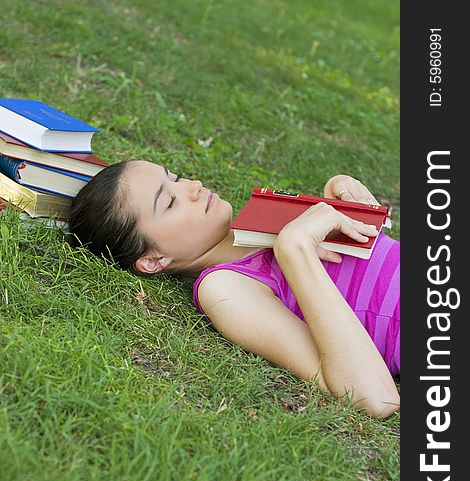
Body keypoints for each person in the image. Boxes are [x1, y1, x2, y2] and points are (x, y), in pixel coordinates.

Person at [69, 160, 400, 419]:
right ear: (154, 260)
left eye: (177, 178)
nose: (194, 187)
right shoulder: (223, 287)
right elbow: (373, 397)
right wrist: (295, 247)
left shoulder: (266, 226)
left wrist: (342, 195)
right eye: (169, 202)